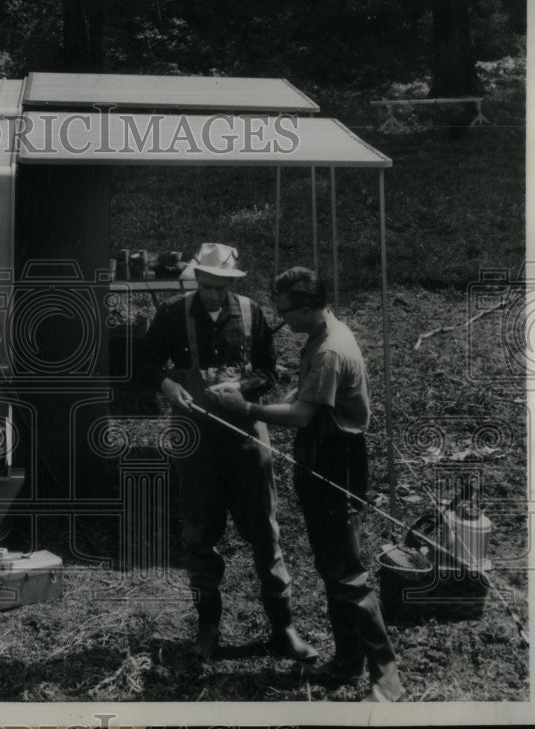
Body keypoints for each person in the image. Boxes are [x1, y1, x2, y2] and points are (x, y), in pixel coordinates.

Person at [210, 266, 404, 702]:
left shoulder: (331, 350)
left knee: (349, 576)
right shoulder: (319, 337)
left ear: (307, 307)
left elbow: (300, 416)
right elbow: (301, 400)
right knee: (331, 569)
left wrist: (246, 408)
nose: (281, 322)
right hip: (319, 456)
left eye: (285, 312)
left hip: (338, 464)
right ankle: (348, 660)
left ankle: (387, 678)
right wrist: (250, 396)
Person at [142, 242, 316, 663]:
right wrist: (167, 385)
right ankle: (208, 630)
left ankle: (283, 627)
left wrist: (242, 389)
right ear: (196, 278)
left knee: (265, 534)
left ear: (233, 284)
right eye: (208, 285)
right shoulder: (170, 315)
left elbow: (269, 371)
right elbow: (142, 364)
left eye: (223, 287)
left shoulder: (253, 312)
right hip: (195, 442)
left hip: (246, 440)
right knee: (199, 535)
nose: (215, 294)